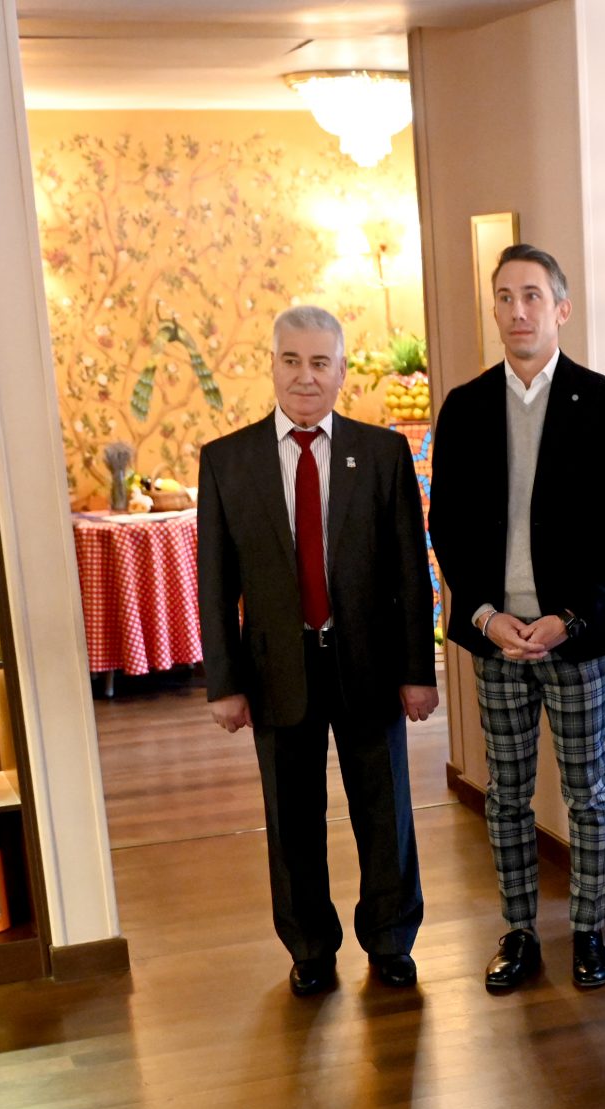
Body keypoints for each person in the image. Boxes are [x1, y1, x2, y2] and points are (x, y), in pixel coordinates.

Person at [197, 305, 439, 994]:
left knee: (384, 810)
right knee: (291, 818)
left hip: (369, 666)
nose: (305, 377)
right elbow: (215, 583)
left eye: (320, 363)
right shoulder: (227, 461)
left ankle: (391, 940)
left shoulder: (383, 454)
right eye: (292, 361)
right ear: (272, 365)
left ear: (341, 371)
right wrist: (224, 683)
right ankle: (308, 946)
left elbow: (410, 574)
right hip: (276, 669)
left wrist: (418, 672)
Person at [429, 245, 605, 993]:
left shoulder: (602, 399)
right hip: (495, 638)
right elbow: (447, 525)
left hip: (572, 638)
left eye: (532, 296)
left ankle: (588, 929)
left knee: (587, 791)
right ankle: (518, 930)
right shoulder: (465, 406)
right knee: (507, 794)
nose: (517, 311)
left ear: (561, 309)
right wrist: (485, 615)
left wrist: (567, 617)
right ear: (494, 309)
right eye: (505, 297)